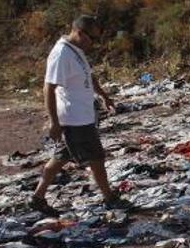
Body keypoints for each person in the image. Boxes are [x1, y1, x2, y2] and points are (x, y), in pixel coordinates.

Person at [30, 15, 130, 216]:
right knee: (96, 158)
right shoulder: (61, 54)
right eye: (93, 38)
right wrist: (53, 122)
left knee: (60, 157)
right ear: (79, 33)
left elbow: (88, 76)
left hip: (82, 115)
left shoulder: (76, 50)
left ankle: (37, 197)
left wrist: (104, 96)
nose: (95, 44)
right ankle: (109, 198)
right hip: (73, 118)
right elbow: (48, 88)